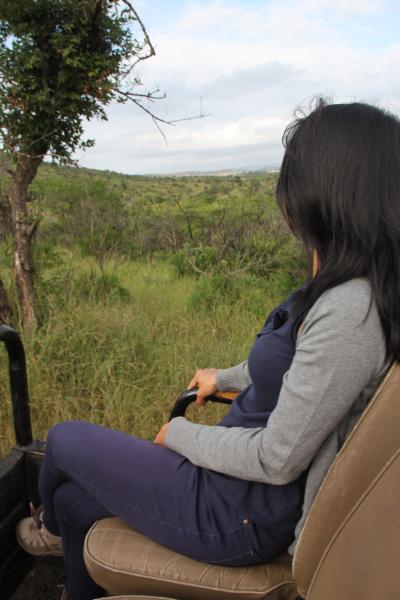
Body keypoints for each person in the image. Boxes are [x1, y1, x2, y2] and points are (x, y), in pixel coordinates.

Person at [16, 99, 400, 600]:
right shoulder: (345, 282)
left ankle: (47, 530)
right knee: (74, 501)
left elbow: (277, 458)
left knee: (65, 439)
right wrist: (227, 377)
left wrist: (179, 434)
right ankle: (62, 535)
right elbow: (300, 366)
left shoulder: (351, 308)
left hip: (242, 508)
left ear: (326, 194)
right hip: (234, 480)